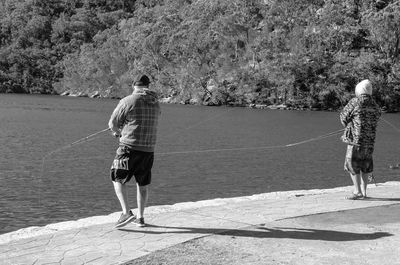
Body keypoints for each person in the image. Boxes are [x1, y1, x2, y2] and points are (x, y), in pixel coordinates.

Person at [108, 75, 161, 228]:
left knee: (117, 178)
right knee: (142, 184)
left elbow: (112, 124)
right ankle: (141, 217)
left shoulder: (127, 101)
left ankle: (126, 213)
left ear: (134, 86)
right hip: (148, 151)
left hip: (128, 148)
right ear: (148, 86)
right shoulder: (156, 103)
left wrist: (117, 132)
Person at [340, 79, 381, 200]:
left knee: (353, 165)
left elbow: (343, 118)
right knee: (365, 166)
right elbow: (377, 117)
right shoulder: (375, 104)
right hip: (370, 142)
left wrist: (351, 124)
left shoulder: (355, 101)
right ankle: (364, 192)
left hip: (355, 141)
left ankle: (357, 192)